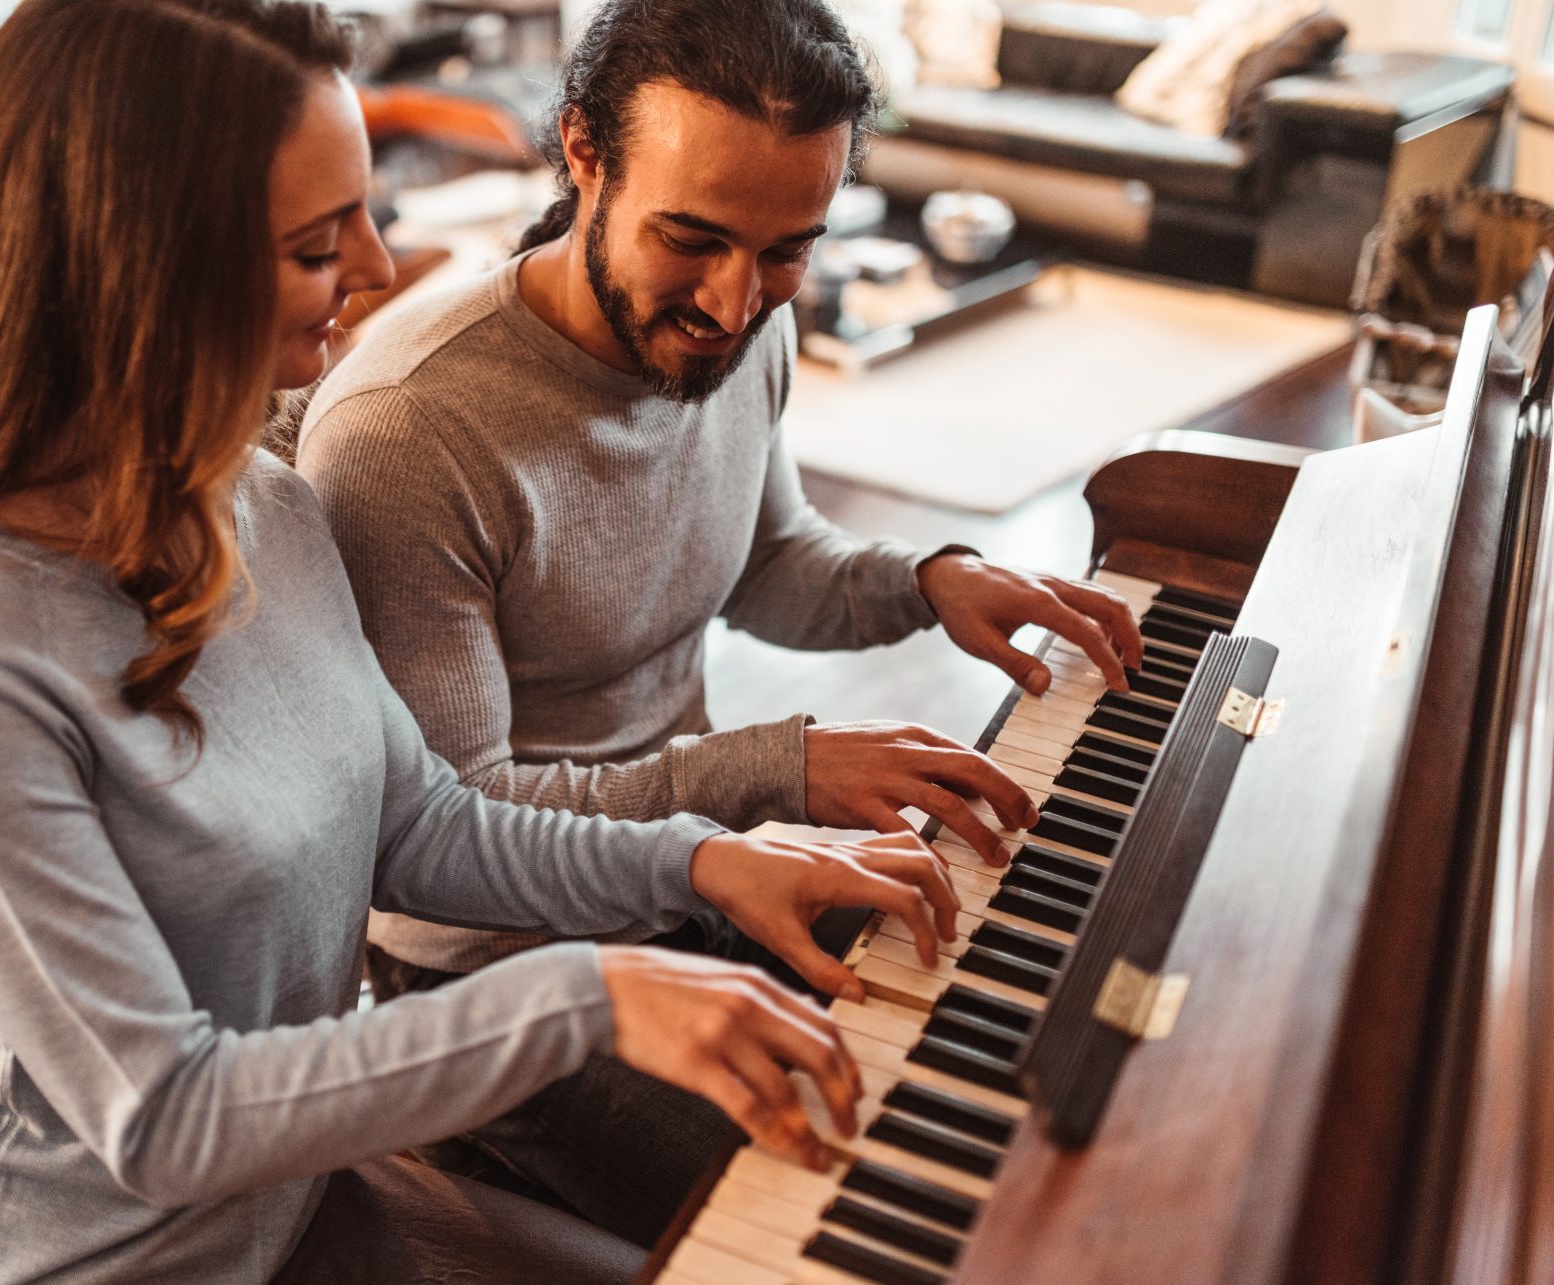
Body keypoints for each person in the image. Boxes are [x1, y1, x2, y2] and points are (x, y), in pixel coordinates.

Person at [0, 1, 965, 1281]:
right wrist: (586, 997)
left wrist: (705, 864)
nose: (374, 268)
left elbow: (423, 829)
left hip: (297, 1212)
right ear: (143, 267)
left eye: (361, 213)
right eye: (312, 242)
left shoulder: (264, 505)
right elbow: (160, 1117)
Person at [293, 0, 1145, 1246]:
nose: (735, 304)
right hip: (502, 971)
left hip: (701, 871)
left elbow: (767, 561)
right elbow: (448, 828)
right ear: (582, 151)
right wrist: (767, 772)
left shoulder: (744, 321)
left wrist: (929, 579)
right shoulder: (408, 432)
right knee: (882, 1203)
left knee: (1019, 1036)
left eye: (786, 249)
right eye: (689, 239)